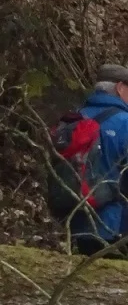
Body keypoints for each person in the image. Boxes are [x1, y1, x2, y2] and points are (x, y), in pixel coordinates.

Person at [55, 65, 128, 256]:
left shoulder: (76, 117)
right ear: (120, 88)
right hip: (114, 225)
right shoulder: (124, 122)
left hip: (75, 221)